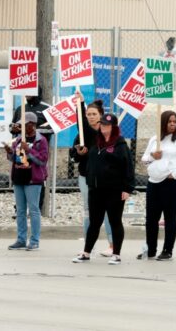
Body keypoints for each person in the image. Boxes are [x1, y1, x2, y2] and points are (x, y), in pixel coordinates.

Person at [72, 113, 135, 265]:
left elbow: (128, 168)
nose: (104, 127)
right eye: (102, 125)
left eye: (107, 125)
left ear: (114, 127)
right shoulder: (96, 142)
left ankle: (116, 254)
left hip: (114, 190)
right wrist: (80, 103)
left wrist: (127, 189)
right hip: (95, 189)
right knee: (94, 222)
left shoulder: (120, 145)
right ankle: (86, 252)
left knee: (115, 221)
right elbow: (82, 123)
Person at [139, 110, 176, 260]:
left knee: (170, 217)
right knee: (151, 218)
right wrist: (152, 156)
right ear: (163, 122)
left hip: (172, 184)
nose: (172, 124)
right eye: (169, 121)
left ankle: (167, 250)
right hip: (154, 182)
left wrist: (175, 174)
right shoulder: (155, 139)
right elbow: (144, 160)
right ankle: (150, 249)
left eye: (174, 122)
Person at [69, 92, 115, 257]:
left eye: (94, 114)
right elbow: (73, 155)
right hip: (86, 177)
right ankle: (89, 245)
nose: (91, 117)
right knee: (89, 210)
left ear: (101, 115)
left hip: (105, 179)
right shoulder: (83, 133)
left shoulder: (108, 133)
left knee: (110, 211)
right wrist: (80, 154)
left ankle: (112, 245)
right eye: (88, 114)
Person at [5, 112, 49, 251]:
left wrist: (29, 150)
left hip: (33, 179)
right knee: (20, 211)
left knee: (34, 210)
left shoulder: (41, 140)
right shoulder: (18, 139)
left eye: (23, 124)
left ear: (32, 125)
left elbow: (42, 160)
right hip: (19, 177)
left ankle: (34, 240)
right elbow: (14, 158)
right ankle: (21, 239)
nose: (21, 127)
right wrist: (9, 152)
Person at [10, 88, 52, 213]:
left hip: (39, 149)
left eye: (30, 90)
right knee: (19, 176)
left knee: (37, 177)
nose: (27, 93)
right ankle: (20, 209)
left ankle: (36, 209)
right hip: (20, 151)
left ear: (37, 91)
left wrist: (33, 131)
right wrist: (16, 129)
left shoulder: (46, 108)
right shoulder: (20, 109)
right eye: (25, 91)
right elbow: (11, 128)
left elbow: (52, 128)